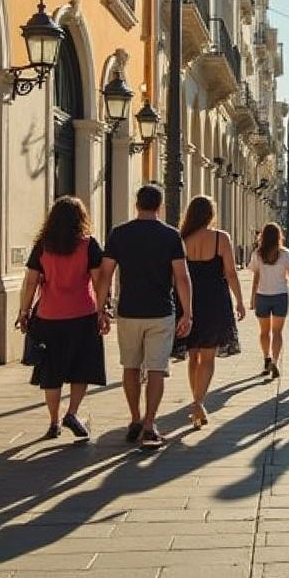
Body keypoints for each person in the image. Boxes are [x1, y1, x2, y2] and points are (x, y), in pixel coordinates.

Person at [97, 184, 191, 449]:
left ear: (136, 204)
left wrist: (100, 308)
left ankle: (135, 418)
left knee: (130, 366)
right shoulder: (171, 236)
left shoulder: (119, 233)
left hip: (128, 310)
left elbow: (105, 273)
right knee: (157, 369)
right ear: (160, 206)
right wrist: (188, 312)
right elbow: (182, 278)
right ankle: (150, 424)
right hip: (161, 311)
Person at [16, 196, 106, 440]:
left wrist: (24, 312)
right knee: (81, 369)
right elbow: (99, 280)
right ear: (81, 219)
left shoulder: (43, 246)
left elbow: (30, 282)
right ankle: (72, 413)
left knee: (51, 372)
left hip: (48, 317)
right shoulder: (89, 245)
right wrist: (102, 310)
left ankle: (54, 421)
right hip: (83, 315)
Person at [180, 195, 246, 429]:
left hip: (188, 300)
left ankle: (196, 400)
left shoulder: (182, 239)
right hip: (215, 301)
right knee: (208, 356)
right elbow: (230, 272)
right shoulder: (220, 238)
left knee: (193, 354)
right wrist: (239, 300)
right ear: (211, 215)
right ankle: (199, 402)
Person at [248, 221, 289, 379]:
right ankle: (275, 362)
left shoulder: (257, 253)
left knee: (264, 332)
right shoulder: (285, 253)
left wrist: (252, 298)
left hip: (262, 295)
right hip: (280, 296)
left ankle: (266, 358)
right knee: (277, 332)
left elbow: (256, 277)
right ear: (279, 236)